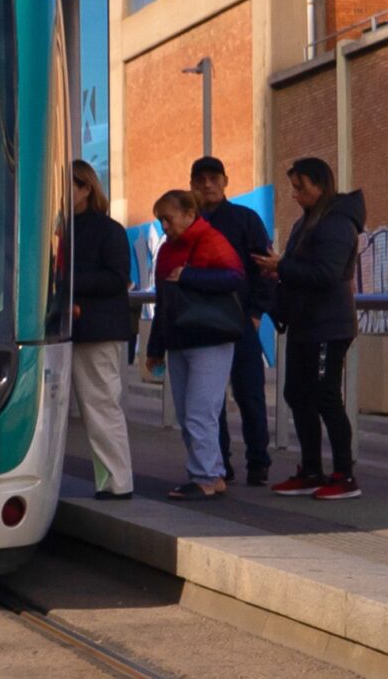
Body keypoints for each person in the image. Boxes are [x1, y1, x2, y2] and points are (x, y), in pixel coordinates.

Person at [254, 156, 365, 499]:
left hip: (327, 327)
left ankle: (344, 475)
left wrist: (282, 266)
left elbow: (326, 274)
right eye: (293, 187)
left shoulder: (336, 223)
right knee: (297, 394)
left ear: (320, 185)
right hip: (306, 324)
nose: (295, 194)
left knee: (325, 395)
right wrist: (278, 270)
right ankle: (312, 469)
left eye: (300, 187)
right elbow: (303, 269)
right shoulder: (309, 222)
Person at [148, 188, 250, 499]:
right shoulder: (168, 249)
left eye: (169, 218)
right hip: (181, 337)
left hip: (209, 339)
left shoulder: (210, 240)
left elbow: (235, 277)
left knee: (199, 411)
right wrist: (155, 347)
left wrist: (189, 276)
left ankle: (205, 476)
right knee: (187, 411)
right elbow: (163, 301)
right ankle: (212, 472)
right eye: (161, 220)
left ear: (189, 214)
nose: (165, 226)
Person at [191, 155, 274, 486]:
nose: (208, 184)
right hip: (202, 323)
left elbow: (266, 270)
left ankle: (258, 462)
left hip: (240, 322)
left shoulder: (244, 220)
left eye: (214, 178)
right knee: (210, 401)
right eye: (201, 179)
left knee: (249, 394)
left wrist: (256, 313)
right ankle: (219, 463)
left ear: (226, 181)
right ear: (192, 184)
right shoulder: (188, 222)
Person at [67, 162, 138, 498]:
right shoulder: (68, 227)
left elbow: (116, 278)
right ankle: (109, 480)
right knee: (97, 405)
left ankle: (117, 482)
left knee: (101, 405)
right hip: (80, 328)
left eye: (70, 185)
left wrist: (65, 283)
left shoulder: (108, 230)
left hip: (97, 329)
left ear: (86, 189)